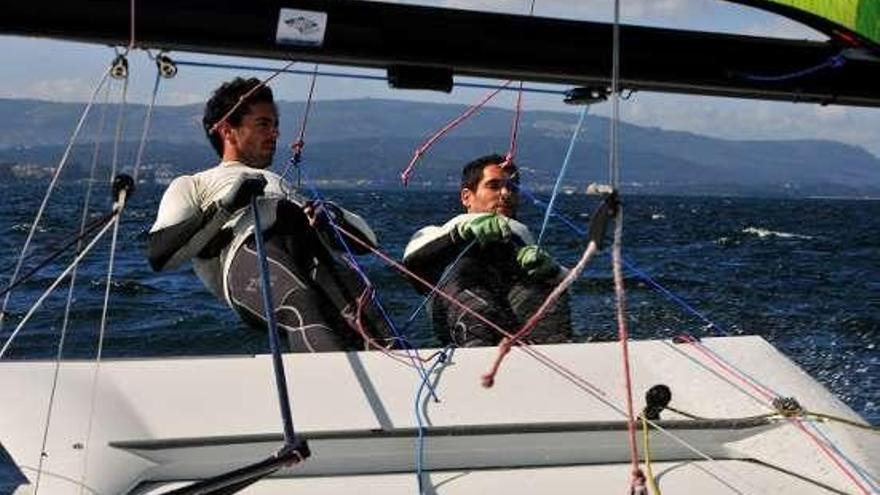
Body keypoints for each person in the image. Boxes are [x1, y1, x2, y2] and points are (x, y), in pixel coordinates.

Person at [147, 77, 389, 352]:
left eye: (275, 125)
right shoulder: (194, 184)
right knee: (302, 307)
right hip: (250, 250)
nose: (274, 134)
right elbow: (159, 255)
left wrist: (331, 215)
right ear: (228, 130)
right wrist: (227, 205)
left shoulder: (284, 185)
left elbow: (370, 243)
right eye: (263, 124)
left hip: (308, 245)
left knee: (373, 318)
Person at [403, 154, 572, 347]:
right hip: (464, 318)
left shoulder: (520, 235)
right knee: (469, 280)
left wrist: (550, 270)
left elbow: (564, 281)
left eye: (512, 188)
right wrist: (457, 236)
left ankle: (555, 351)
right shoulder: (436, 232)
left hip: (512, 322)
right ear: (467, 197)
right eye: (494, 186)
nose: (506, 194)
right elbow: (411, 262)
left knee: (545, 292)